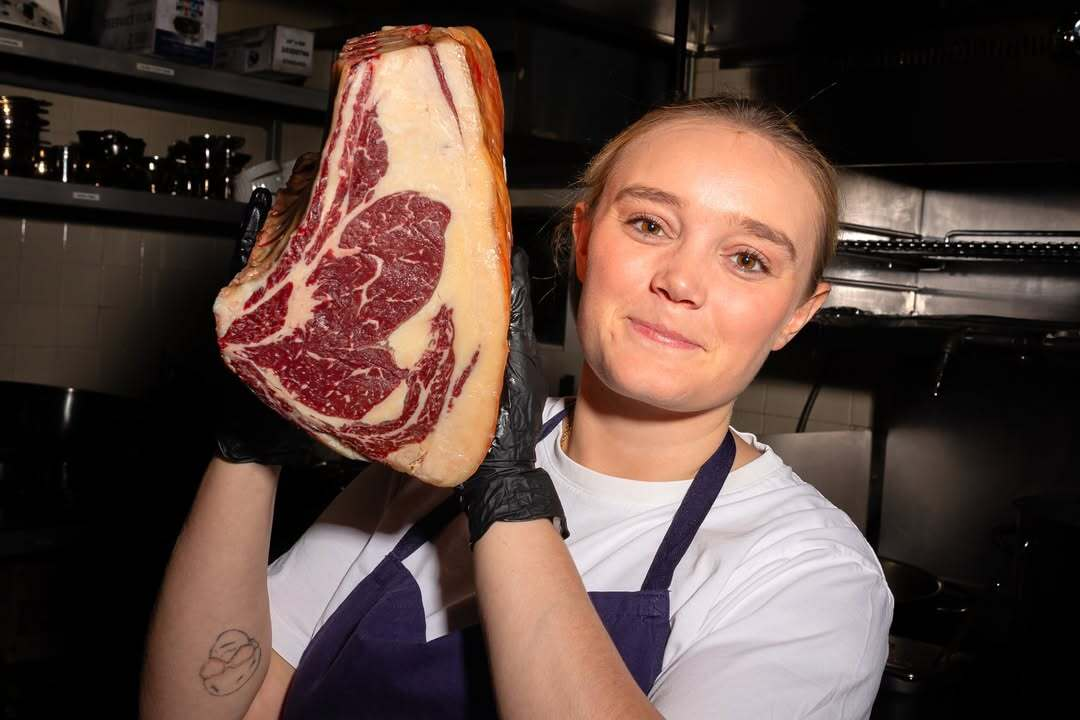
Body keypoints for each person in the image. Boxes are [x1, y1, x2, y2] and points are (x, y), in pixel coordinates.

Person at [139, 95, 893, 719]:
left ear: (798, 313)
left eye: (748, 259)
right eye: (649, 223)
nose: (681, 282)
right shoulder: (426, 463)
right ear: (583, 241)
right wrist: (247, 445)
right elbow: (208, 708)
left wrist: (505, 492)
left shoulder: (811, 577)